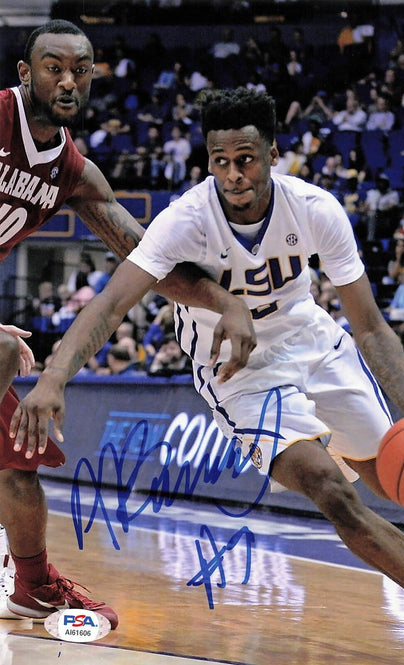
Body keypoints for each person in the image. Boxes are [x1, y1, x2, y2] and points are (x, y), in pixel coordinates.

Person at [12, 88, 404, 665]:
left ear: (272, 152)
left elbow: (369, 327)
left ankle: (362, 465)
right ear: (208, 160)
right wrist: (53, 376)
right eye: (220, 162)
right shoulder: (186, 218)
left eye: (245, 159)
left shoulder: (315, 208)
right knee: (330, 491)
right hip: (238, 372)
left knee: (401, 482)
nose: (233, 174)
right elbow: (111, 305)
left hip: (313, 342)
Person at [0, 21, 256, 626]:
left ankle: (32, 582)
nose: (67, 80)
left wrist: (228, 302)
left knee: (19, 454)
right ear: (24, 73)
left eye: (80, 69)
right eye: (53, 66)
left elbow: (147, 261)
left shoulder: (73, 173)